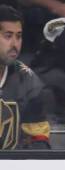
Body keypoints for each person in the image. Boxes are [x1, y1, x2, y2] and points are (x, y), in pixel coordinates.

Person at [0, 5, 50, 149]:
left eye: (19, 36)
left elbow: (38, 141)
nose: (15, 44)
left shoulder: (27, 79)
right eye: (8, 36)